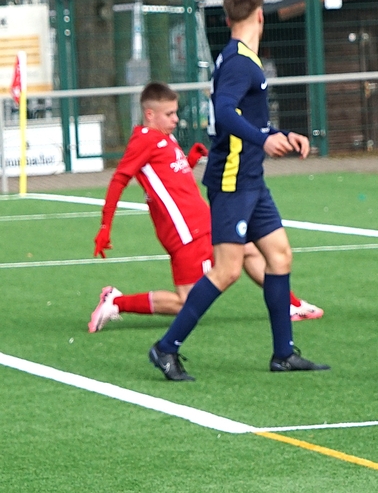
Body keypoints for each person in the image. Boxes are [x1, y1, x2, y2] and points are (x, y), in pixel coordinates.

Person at [148, 0, 328, 381]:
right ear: (259, 17)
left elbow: (247, 116)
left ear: (228, 19)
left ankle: (283, 354)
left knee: (279, 256)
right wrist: (263, 139)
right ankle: (166, 348)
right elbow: (225, 111)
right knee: (227, 270)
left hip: (250, 178)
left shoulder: (240, 57)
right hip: (232, 180)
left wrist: (280, 134)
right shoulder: (239, 62)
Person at [88, 82, 323, 333]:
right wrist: (105, 226)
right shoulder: (144, 140)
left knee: (250, 251)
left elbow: (169, 179)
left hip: (203, 221)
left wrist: (189, 160)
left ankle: (291, 305)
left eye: (175, 112)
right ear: (150, 114)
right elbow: (119, 179)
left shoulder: (165, 137)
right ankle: (117, 302)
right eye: (169, 114)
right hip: (185, 233)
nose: (176, 119)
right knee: (187, 301)